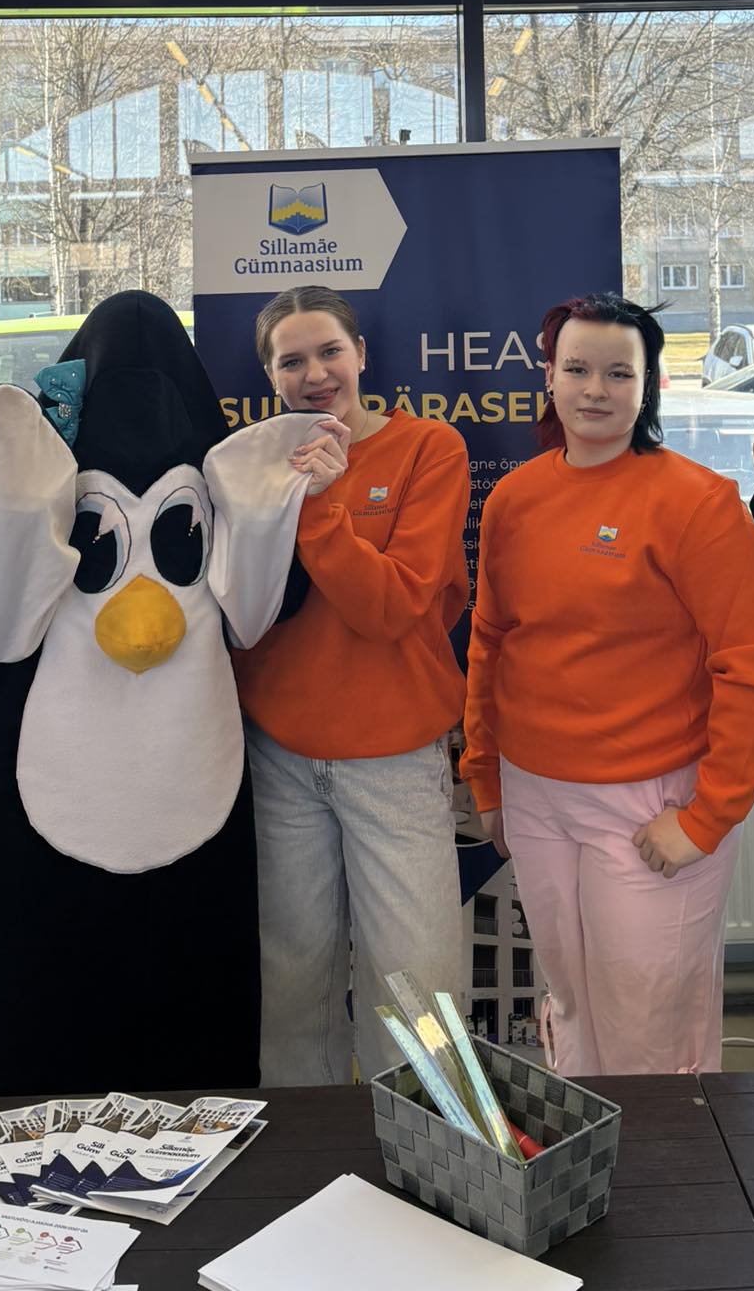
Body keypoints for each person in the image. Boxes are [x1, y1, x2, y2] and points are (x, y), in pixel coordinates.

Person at [462, 291, 754, 1076]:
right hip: (534, 795)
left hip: (651, 803)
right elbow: (491, 642)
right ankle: (588, 1151)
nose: (595, 390)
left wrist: (706, 819)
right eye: (577, 369)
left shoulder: (696, 503)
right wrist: (487, 778)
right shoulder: (515, 498)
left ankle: (667, 1159)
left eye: (619, 373)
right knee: (571, 1003)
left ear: (649, 386)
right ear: (549, 375)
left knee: (649, 1027)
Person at [234, 284, 471, 1084]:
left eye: (330, 351)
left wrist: (322, 502)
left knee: (418, 988)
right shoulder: (250, 465)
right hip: (280, 759)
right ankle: (304, 1148)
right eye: (291, 361)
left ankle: (426, 1145)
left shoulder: (429, 449)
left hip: (395, 761)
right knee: (289, 983)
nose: (314, 374)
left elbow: (392, 607)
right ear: (269, 375)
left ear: (361, 354)